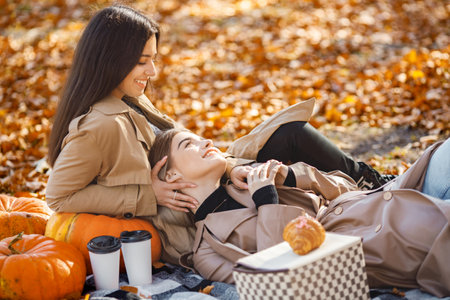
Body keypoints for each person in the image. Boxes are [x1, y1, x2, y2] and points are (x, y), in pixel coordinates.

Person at [45, 5, 392, 263]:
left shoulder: (131, 100)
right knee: (291, 141)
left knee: (289, 132)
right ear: (109, 60)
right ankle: (372, 194)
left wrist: (228, 167)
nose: (152, 71)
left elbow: (176, 145)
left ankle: (369, 182)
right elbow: (58, 198)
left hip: (207, 173)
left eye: (153, 59)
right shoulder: (98, 126)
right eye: (141, 61)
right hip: (192, 211)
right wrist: (146, 194)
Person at [149, 128, 450, 298]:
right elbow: (277, 284)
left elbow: (346, 188)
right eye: (190, 143)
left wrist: (292, 178)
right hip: (376, 239)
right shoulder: (206, 251)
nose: (207, 141)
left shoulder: (245, 178)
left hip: (392, 194)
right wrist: (267, 201)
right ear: (172, 176)